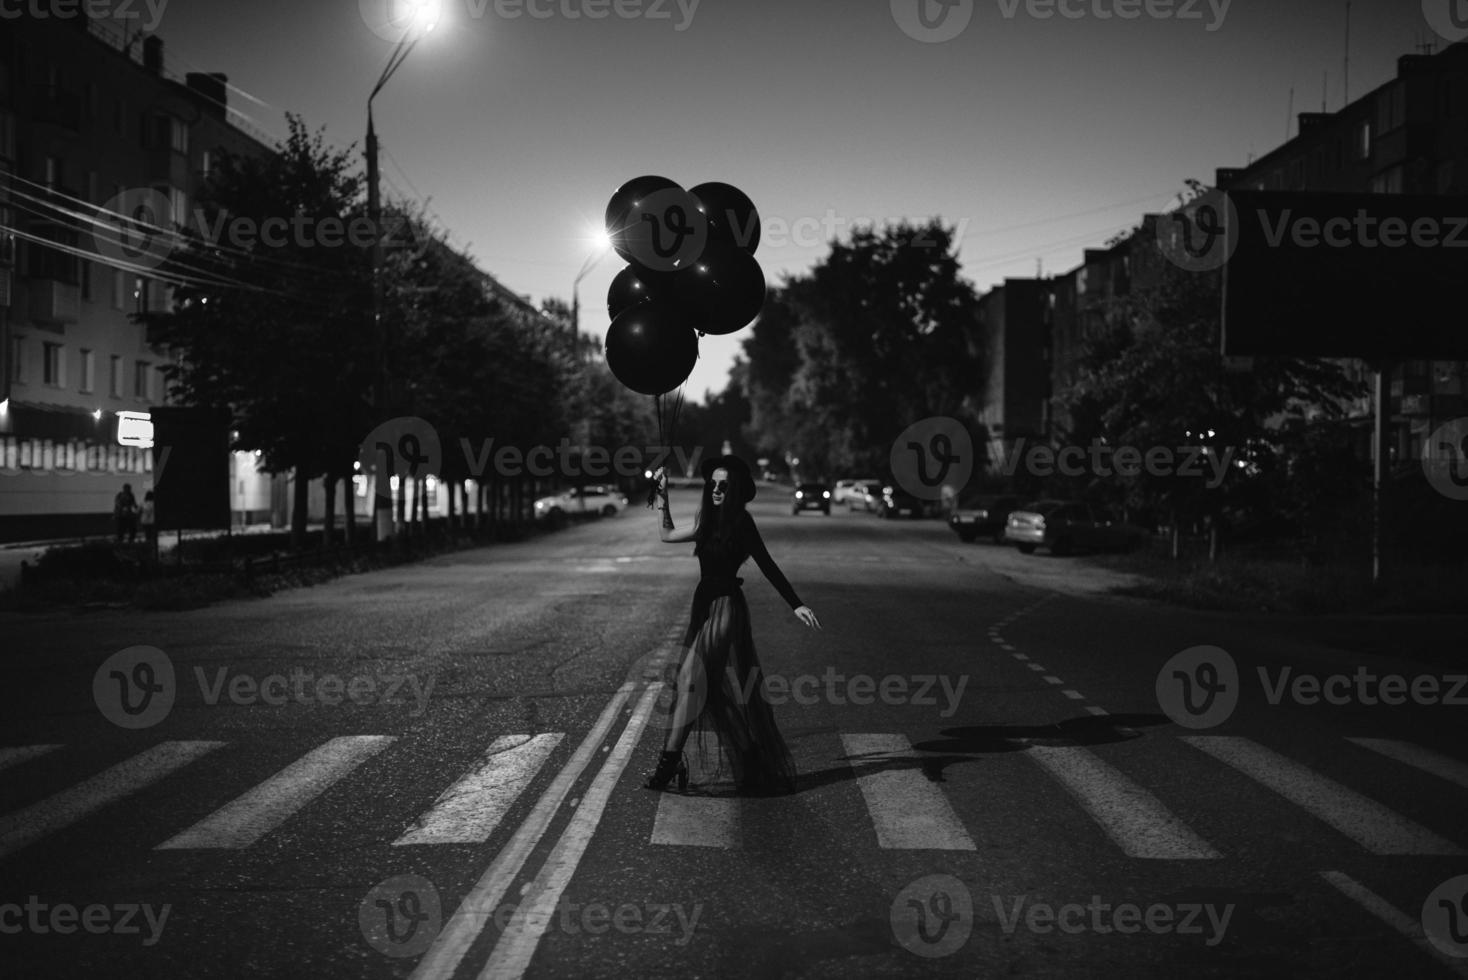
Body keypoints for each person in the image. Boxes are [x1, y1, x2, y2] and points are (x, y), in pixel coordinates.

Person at [645, 454, 821, 796]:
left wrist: (796, 603)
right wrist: (663, 498)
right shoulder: (706, 521)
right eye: (712, 483)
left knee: (689, 678)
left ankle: (668, 764)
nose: (715, 489)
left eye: (723, 485)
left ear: (736, 489)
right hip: (703, 603)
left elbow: (767, 564)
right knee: (702, 689)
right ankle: (749, 758)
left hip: (726, 604)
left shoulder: (742, 522)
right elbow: (666, 534)